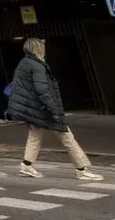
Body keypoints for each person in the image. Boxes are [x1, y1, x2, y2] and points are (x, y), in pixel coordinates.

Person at [7, 38, 103, 180]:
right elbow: (42, 90)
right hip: (42, 109)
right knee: (67, 137)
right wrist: (54, 109)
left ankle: (27, 165)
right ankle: (81, 169)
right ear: (37, 49)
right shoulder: (38, 66)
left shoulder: (24, 63)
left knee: (35, 136)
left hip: (32, 108)